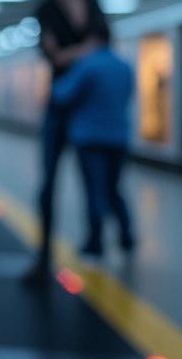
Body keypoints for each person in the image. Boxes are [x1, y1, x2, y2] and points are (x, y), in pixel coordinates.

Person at [23, 0, 109, 285]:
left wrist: (70, 53)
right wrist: (85, 49)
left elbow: (97, 46)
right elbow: (54, 57)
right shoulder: (44, 10)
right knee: (48, 182)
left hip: (88, 105)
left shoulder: (91, 0)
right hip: (60, 105)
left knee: (94, 180)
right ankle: (43, 255)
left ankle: (95, 244)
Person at [51, 44, 134, 257]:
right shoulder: (124, 66)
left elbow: (62, 94)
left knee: (93, 190)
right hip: (118, 137)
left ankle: (95, 242)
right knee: (114, 188)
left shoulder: (87, 66)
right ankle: (126, 235)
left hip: (90, 138)